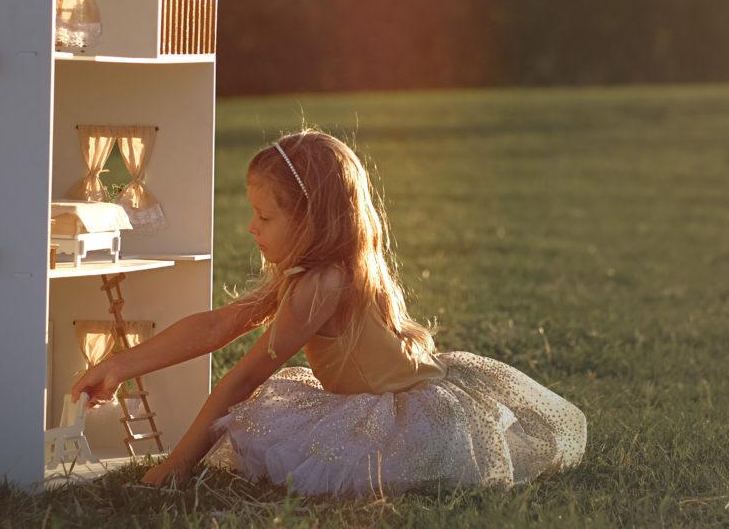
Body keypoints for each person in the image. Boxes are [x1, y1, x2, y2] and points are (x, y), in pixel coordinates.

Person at [70, 126, 587, 496]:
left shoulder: (324, 284)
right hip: (376, 396)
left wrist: (175, 469)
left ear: (313, 220)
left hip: (407, 420)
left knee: (292, 438)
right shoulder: (322, 271)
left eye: (265, 216)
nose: (252, 228)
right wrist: (120, 365)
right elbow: (218, 324)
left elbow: (242, 378)